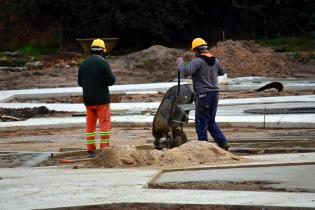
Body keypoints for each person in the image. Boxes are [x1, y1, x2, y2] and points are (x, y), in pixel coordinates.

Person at [176, 38, 229, 150]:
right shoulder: (215, 60)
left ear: (196, 50)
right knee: (210, 121)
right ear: (205, 48)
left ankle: (204, 148)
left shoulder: (198, 61)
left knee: (201, 123)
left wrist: (180, 63)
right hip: (215, 94)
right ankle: (223, 142)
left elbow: (185, 72)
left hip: (203, 95)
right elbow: (222, 71)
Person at [78, 39, 116, 158]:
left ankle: (91, 151)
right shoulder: (103, 63)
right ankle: (104, 150)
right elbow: (111, 81)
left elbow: (80, 82)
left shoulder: (84, 63)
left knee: (90, 126)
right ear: (102, 51)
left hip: (88, 101)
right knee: (104, 125)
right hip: (102, 101)